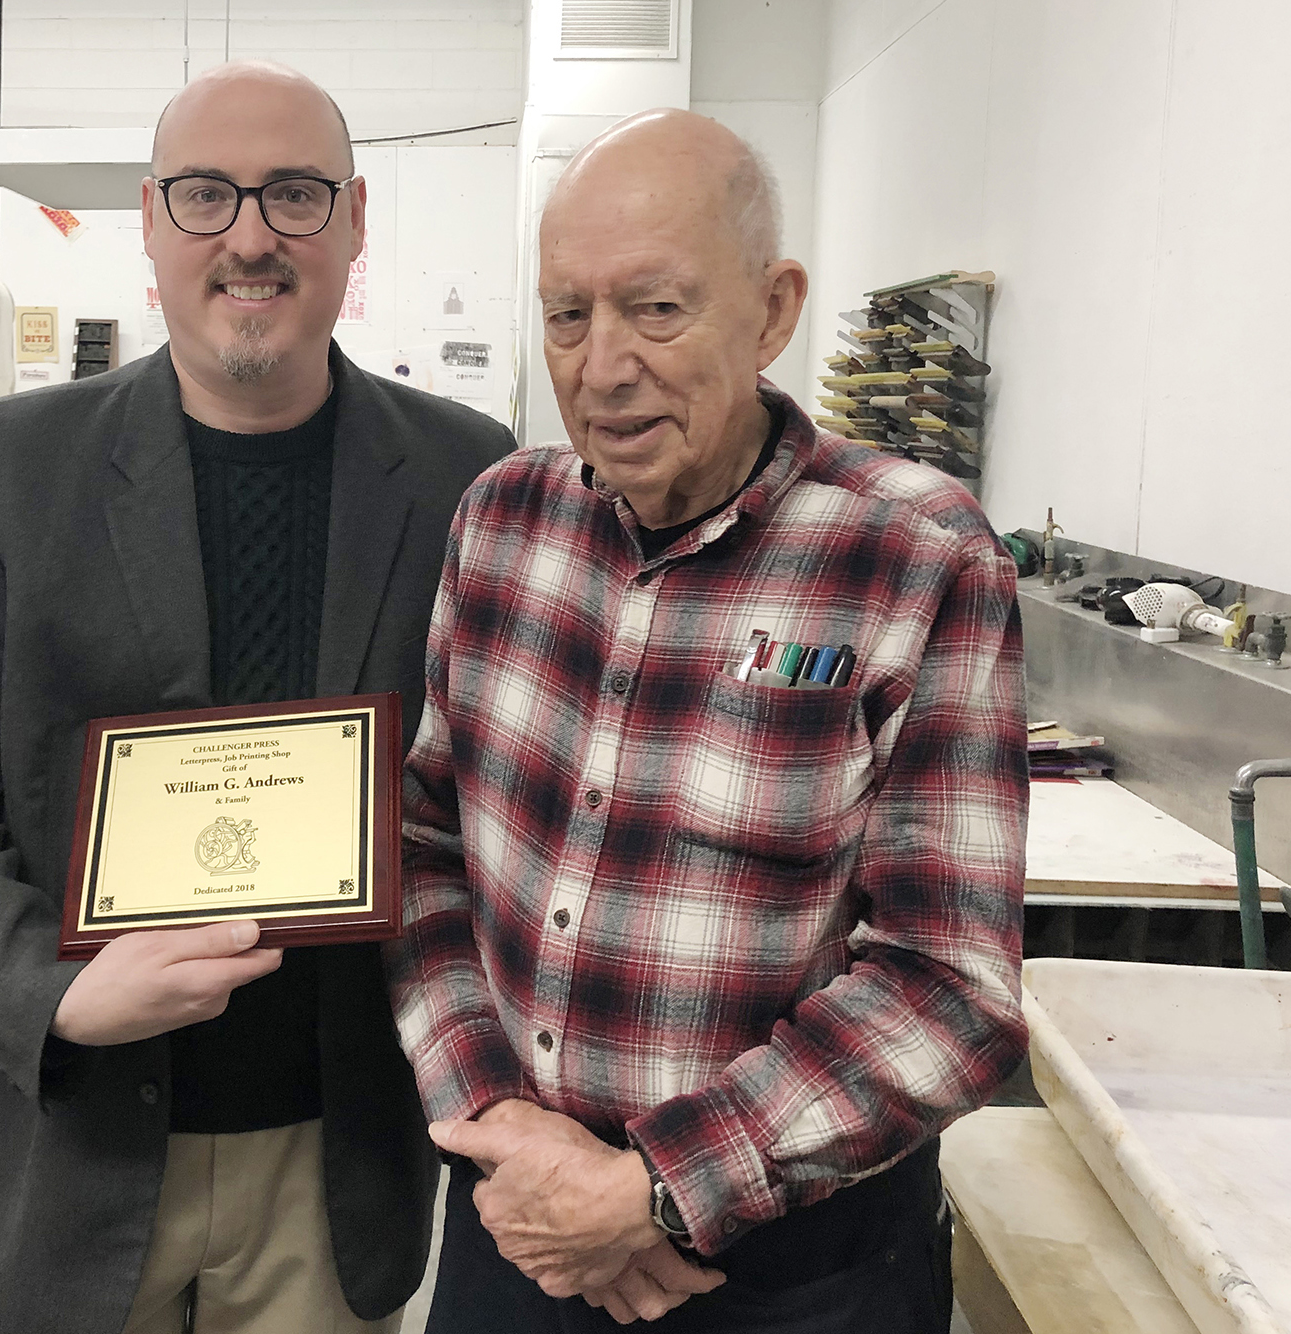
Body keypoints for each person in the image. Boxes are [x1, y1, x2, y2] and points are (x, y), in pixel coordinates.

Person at [0, 62, 511, 1334]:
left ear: (354, 221)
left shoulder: (467, 477)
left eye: (294, 196)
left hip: (340, 1163)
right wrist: (49, 986)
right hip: (70, 1148)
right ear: (148, 222)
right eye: (206, 195)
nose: (249, 236)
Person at [387, 108, 1028, 1332]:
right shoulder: (502, 522)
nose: (601, 362)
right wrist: (503, 1130)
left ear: (772, 310)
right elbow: (424, 856)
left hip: (796, 1276)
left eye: (657, 307)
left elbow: (948, 986)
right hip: (514, 1232)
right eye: (567, 313)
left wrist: (653, 1191)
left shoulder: (914, 554)